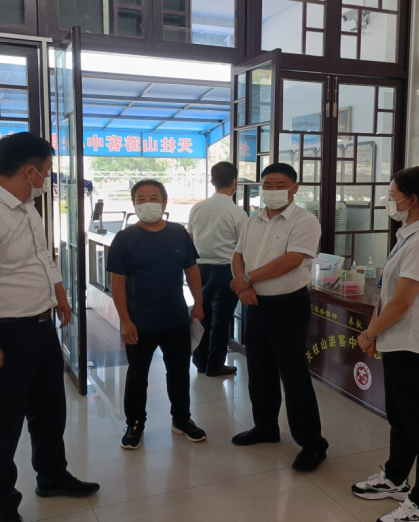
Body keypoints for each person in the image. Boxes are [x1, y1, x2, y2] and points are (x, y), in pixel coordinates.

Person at [0, 132, 99, 522]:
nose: (49, 177)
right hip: (4, 334)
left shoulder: (27, 206)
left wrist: (59, 292)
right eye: (47, 169)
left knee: (50, 410)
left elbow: (41, 257)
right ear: (30, 171)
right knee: (1, 423)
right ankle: (1, 503)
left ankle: (52, 475)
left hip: (40, 326)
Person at [351, 166, 419, 522]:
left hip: (413, 346)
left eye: (392, 195)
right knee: (400, 418)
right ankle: (395, 477)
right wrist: (376, 331)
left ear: (412, 200)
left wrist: (370, 334)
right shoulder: (410, 235)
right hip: (397, 341)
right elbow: (387, 294)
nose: (389, 201)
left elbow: (402, 302)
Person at [229, 163, 328, 472]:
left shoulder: (305, 221)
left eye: (280, 184)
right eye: (267, 185)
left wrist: (246, 279)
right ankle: (266, 427)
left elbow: (292, 260)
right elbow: (238, 254)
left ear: (294, 187)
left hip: (287, 306)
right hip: (254, 303)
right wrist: (244, 286)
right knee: (259, 371)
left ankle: (313, 444)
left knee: (293, 375)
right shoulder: (253, 219)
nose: (272, 190)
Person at [108, 179, 207, 450]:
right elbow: (117, 282)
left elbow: (192, 270)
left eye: (153, 198)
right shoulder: (125, 238)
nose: (147, 203)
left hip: (176, 318)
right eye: (141, 199)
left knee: (179, 372)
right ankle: (135, 424)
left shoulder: (179, 233)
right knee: (137, 376)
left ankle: (182, 419)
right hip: (140, 321)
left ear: (164, 203)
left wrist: (198, 303)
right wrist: (125, 321)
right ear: (134, 204)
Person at [188, 162, 247, 377]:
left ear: (212, 181)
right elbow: (243, 247)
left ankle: (200, 361)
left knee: (201, 315)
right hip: (226, 271)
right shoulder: (238, 213)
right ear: (235, 182)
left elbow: (190, 238)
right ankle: (215, 364)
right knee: (221, 320)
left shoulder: (197, 208)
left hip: (199, 269)